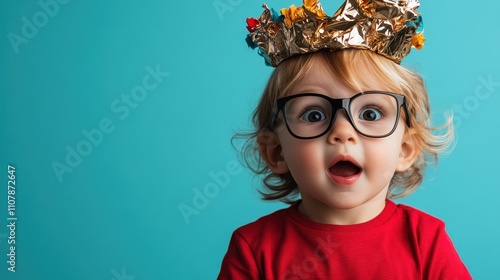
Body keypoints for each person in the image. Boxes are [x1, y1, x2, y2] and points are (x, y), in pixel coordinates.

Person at [218, 0, 472, 279]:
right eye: (314, 115)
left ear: (404, 149)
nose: (343, 131)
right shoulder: (254, 249)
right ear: (276, 152)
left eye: (371, 113)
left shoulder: (425, 241)